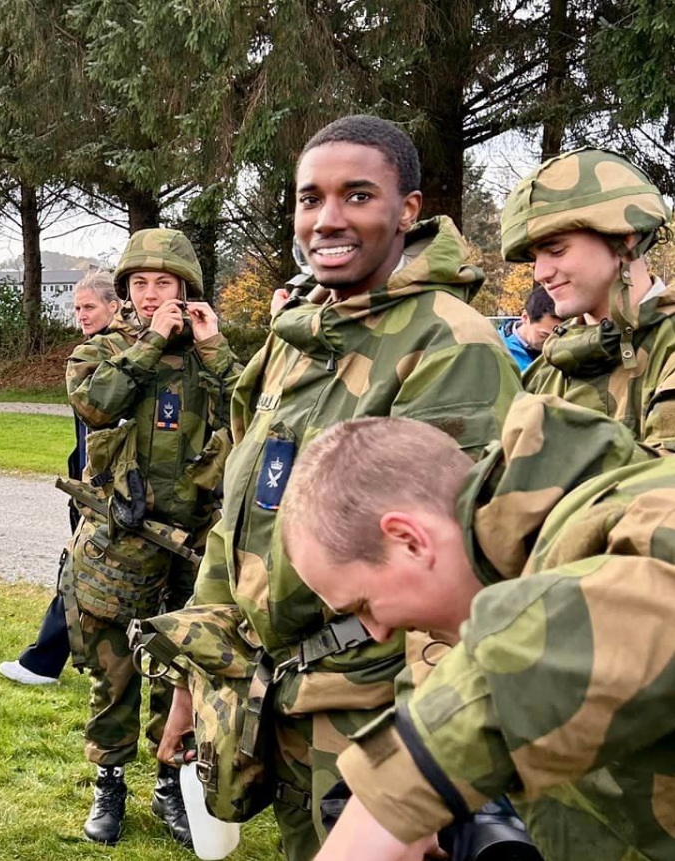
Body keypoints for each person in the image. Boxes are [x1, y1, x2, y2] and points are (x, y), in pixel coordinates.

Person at [154, 115, 521, 861]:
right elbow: (238, 519)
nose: (327, 219)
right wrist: (196, 675)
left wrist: (426, 778)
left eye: (357, 195)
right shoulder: (302, 337)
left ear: (408, 210)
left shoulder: (449, 346)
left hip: (377, 716)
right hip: (282, 701)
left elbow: (456, 578)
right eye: (308, 197)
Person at [280, 395, 675, 861]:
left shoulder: (642, 515)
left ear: (409, 540)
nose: (378, 632)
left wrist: (389, 798)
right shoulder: (494, 580)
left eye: (363, 604)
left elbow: (624, 612)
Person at [64, 229, 236, 847]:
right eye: (139, 284)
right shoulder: (103, 350)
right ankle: (108, 785)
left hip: (193, 544)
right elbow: (96, 405)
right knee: (113, 673)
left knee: (181, 671)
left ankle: (170, 786)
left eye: (164, 283)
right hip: (121, 539)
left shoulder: (209, 354)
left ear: (186, 287)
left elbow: (253, 412)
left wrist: (211, 346)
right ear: (125, 293)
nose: (151, 294)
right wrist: (152, 342)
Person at [505, 147, 675, 447]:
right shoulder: (548, 369)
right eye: (534, 258)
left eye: (556, 250)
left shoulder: (667, 348)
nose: (540, 274)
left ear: (625, 239)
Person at [0, 270, 120, 687]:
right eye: (77, 308)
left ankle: (42, 663)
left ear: (114, 306)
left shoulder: (113, 355)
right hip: (89, 482)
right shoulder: (99, 350)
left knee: (77, 570)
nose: (81, 315)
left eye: (89, 306)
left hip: (105, 489)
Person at [500, 284, 560, 372]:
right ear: (525, 317)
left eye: (558, 336)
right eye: (544, 335)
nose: (552, 342)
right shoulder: (498, 349)